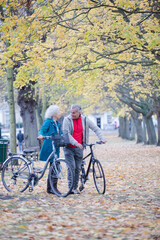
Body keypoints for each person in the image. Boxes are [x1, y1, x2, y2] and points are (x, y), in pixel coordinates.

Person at [63, 104, 106, 194]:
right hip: (69, 147)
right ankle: (70, 188)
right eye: (71, 112)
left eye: (74, 113)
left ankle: (75, 188)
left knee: (78, 168)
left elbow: (96, 129)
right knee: (72, 167)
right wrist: (76, 143)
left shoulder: (85, 120)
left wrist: (101, 138)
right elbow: (67, 134)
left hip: (80, 147)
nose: (72, 114)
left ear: (79, 112)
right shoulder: (67, 120)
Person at [37, 105, 62, 194]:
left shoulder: (57, 123)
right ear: (54, 113)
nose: (60, 113)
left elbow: (61, 133)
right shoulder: (48, 122)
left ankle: (51, 188)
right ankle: (52, 188)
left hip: (56, 147)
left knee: (55, 168)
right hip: (49, 147)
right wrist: (41, 135)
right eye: (58, 112)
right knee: (55, 167)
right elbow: (42, 130)